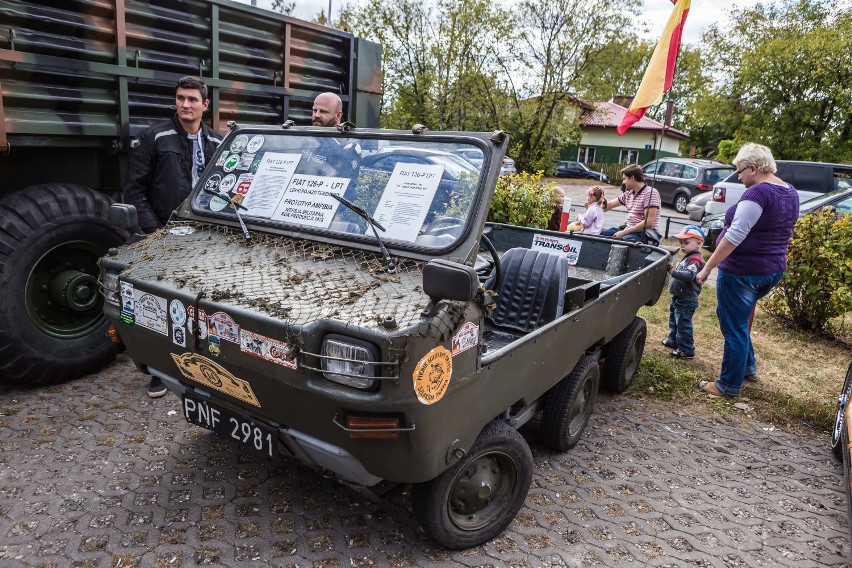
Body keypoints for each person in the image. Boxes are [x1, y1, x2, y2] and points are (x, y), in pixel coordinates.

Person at [124, 76, 223, 398]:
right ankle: (161, 370)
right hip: (165, 237)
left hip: (207, 239)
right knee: (162, 307)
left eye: (193, 99)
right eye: (181, 98)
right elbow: (134, 189)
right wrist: (155, 231)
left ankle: (207, 367)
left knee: (203, 305)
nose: (185, 104)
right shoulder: (156, 137)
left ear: (205, 105)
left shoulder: (218, 143)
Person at [695, 143, 799, 398]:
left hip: (743, 272)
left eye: (740, 170)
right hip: (772, 270)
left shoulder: (758, 195)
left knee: (734, 327)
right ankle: (748, 367)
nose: (738, 176)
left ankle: (728, 385)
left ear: (753, 168)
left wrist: (708, 267)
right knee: (738, 321)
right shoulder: (789, 191)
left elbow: (735, 235)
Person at [663, 225, 706, 359]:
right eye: (681, 243)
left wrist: (673, 272)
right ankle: (674, 340)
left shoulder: (695, 259)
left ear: (698, 243)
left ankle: (687, 349)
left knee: (683, 324)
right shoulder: (689, 256)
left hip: (687, 299)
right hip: (679, 296)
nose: (682, 246)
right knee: (674, 321)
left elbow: (689, 276)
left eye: (686, 243)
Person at [600, 164, 661, 243]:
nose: (623, 182)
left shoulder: (651, 193)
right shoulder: (629, 193)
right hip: (629, 230)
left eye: (624, 179)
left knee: (622, 242)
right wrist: (594, 206)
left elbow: (648, 222)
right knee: (600, 235)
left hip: (646, 234)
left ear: (632, 178)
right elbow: (610, 205)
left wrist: (623, 232)